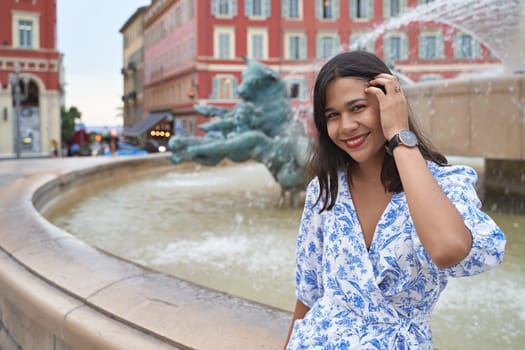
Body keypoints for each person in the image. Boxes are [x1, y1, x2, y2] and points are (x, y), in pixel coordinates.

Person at [284, 51, 506, 349]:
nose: (346, 125)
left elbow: (447, 249)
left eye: (358, 107)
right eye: (333, 115)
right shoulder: (325, 189)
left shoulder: (444, 183)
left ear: (389, 104)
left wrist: (399, 136)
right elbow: (309, 293)